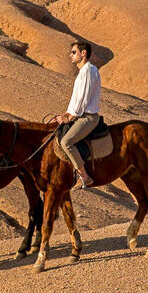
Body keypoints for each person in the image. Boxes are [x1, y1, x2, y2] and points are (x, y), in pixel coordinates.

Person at [52, 41, 101, 190]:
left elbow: (83, 100)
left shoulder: (89, 71)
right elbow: (75, 100)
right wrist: (65, 114)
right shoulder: (83, 72)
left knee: (66, 142)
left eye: (74, 52)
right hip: (79, 115)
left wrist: (70, 117)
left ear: (83, 53)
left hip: (87, 117)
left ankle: (85, 177)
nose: (70, 55)